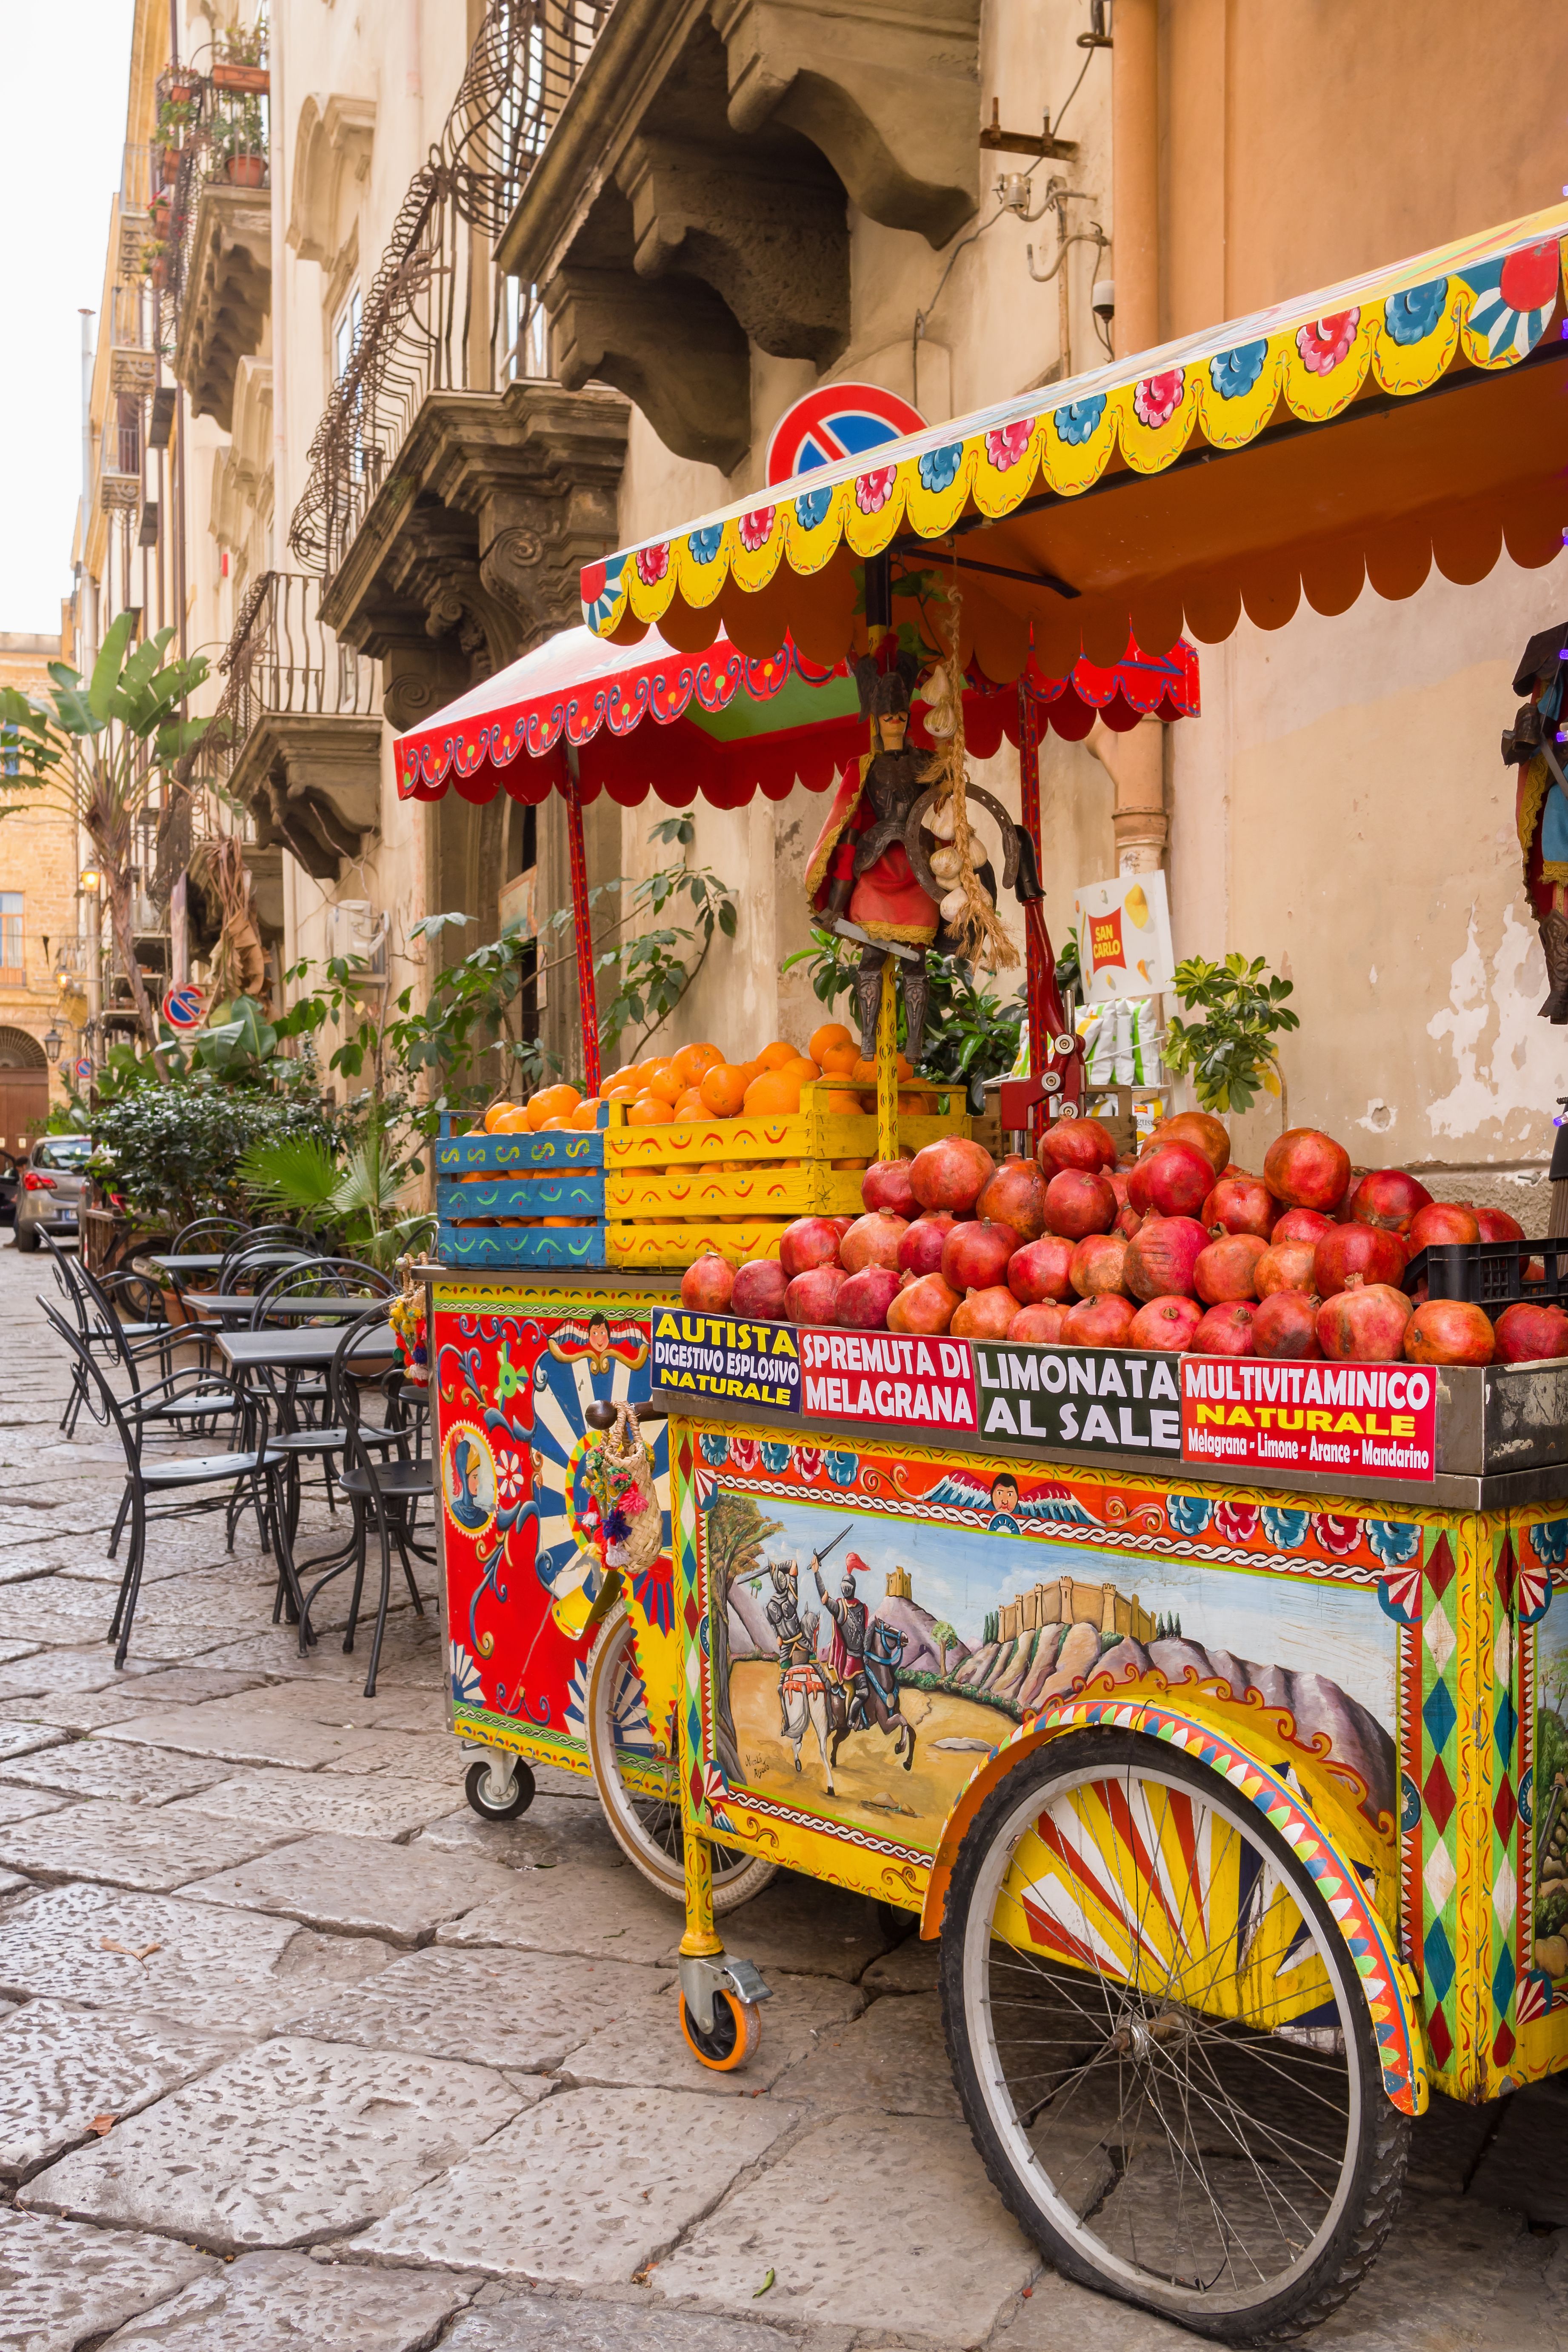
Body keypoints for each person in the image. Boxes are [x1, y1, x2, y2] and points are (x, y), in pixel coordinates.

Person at [804, 654, 938, 1063]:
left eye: (900, 714)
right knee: (872, 954)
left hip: (918, 867)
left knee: (917, 961)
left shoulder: (929, 763)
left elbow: (947, 815)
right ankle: (868, 1039)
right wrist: (836, 899)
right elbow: (846, 827)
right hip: (875, 864)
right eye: (886, 716)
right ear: (876, 721)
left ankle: (913, 1043)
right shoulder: (863, 767)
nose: (894, 721)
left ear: (908, 718)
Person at [1503, 620, 1568, 1020]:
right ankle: (1563, 981)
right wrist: (1526, 731)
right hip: (1563, 774)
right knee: (1556, 864)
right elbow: (1526, 735)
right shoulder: (1560, 650)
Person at [814, 1548, 873, 1730]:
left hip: (862, 1659)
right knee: (864, 1692)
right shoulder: (841, 1608)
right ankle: (850, 1719)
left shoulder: (861, 1608)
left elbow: (864, 1635)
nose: (846, 1589)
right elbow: (824, 1598)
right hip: (851, 1661)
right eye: (845, 1586)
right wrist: (816, 1573)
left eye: (847, 1586)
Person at [764, 1557, 817, 1734]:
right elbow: (794, 1566)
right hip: (793, 1641)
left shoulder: (773, 1604)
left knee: (784, 1680)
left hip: (793, 1640)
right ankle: (785, 1718)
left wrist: (777, 1568)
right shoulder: (789, 1597)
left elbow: (794, 1565)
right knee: (812, 1664)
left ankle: (826, 1687)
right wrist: (780, 1568)